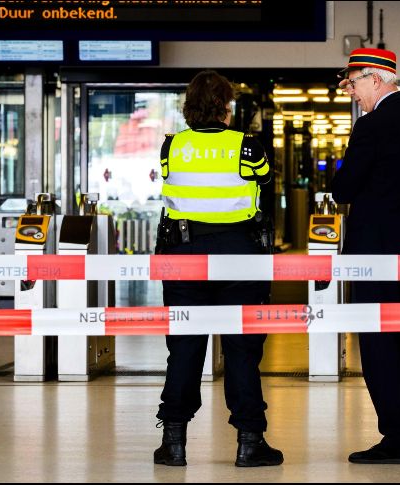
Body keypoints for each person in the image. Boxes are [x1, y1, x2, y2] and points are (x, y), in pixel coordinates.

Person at [153, 70, 283, 468]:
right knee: (243, 351)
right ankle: (249, 442)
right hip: (239, 256)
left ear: (188, 107)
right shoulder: (247, 148)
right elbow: (264, 185)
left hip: (184, 254)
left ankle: (173, 443)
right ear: (226, 108)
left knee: (185, 351)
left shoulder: (171, 147)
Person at [331, 48, 400, 464]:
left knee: (379, 345)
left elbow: (344, 189)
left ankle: (398, 438)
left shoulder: (371, 126)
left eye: (354, 83)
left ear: (376, 79)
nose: (352, 93)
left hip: (375, 251)